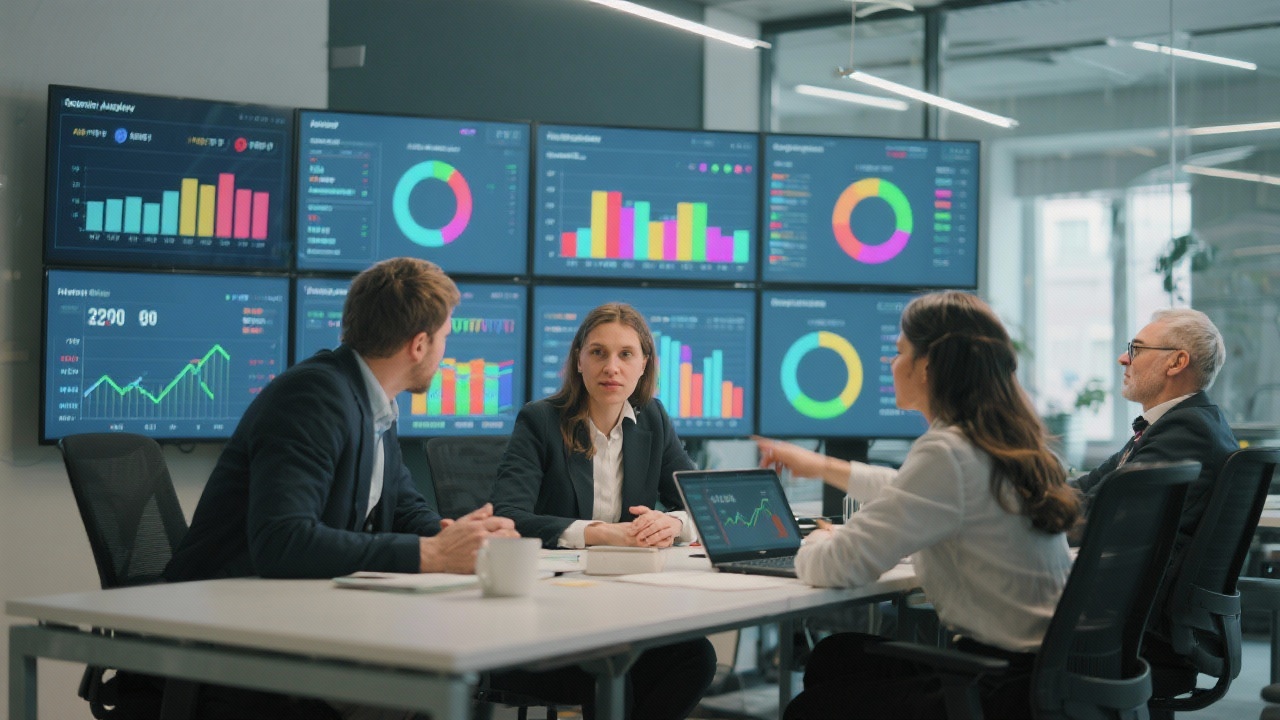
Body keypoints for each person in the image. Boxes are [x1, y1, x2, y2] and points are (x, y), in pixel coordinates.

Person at [161, 257, 518, 720]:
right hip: (230, 633)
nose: (445, 353)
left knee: (436, 679)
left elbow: (403, 504)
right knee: (427, 693)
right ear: (419, 344)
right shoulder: (313, 397)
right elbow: (282, 541)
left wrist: (460, 540)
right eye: (445, 339)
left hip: (292, 618)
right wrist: (430, 555)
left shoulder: (373, 400)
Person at [754, 291, 1080, 720]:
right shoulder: (998, 444)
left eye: (899, 351)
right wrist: (822, 466)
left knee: (811, 710)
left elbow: (840, 566)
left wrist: (815, 540)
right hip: (1045, 672)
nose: (892, 364)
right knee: (836, 657)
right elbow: (917, 492)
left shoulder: (947, 452)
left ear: (927, 366)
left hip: (998, 685)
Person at [490, 302, 716, 720]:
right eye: (598, 353)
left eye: (626, 354)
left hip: (626, 603)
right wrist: (598, 532)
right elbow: (509, 517)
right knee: (613, 669)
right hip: (553, 611)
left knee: (696, 658)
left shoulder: (653, 419)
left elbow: (700, 500)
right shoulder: (540, 421)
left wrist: (670, 521)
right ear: (579, 360)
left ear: (644, 363)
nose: (611, 367)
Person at [1069, 308, 1236, 701]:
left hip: (1140, 626)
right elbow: (1090, 487)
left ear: (1177, 362)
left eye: (1137, 348)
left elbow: (1097, 514)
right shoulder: (1173, 425)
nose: (1123, 358)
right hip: (1141, 613)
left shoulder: (1188, 430)